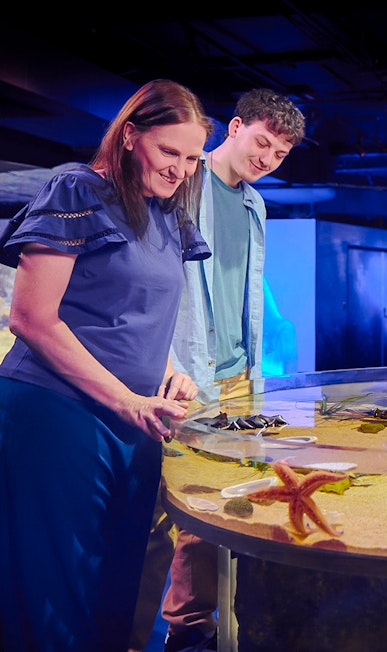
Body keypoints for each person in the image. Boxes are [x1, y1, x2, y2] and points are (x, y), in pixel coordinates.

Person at [0, 79, 212, 652]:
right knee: (58, 585)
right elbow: (31, 318)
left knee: (118, 580)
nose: (181, 171)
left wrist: (170, 370)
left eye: (192, 158)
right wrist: (127, 398)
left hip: (137, 420)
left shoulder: (168, 214)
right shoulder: (76, 189)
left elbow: (138, 311)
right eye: (170, 152)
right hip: (59, 412)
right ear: (129, 136)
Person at [131, 88, 306, 652]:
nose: (266, 158)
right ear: (234, 127)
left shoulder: (256, 204)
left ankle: (195, 628)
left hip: (236, 378)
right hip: (181, 373)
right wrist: (168, 364)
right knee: (166, 515)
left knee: (219, 505)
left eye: (279, 153)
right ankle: (138, 634)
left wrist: (255, 374)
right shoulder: (184, 180)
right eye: (261, 142)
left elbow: (248, 297)